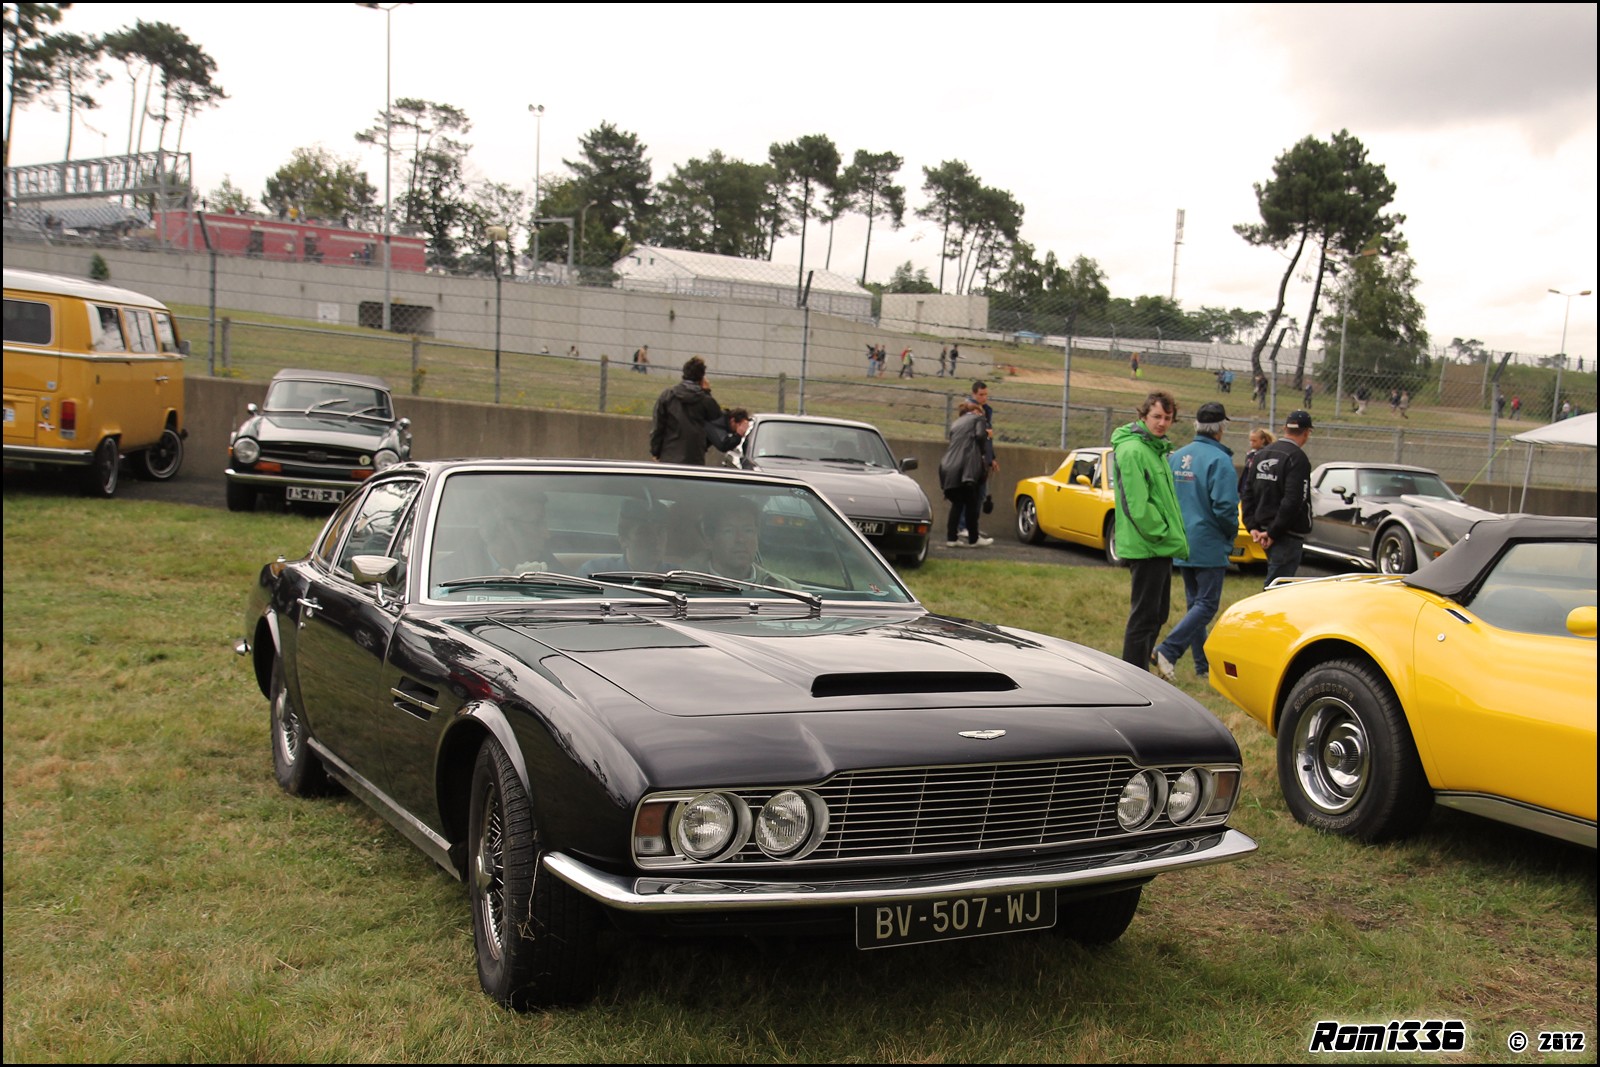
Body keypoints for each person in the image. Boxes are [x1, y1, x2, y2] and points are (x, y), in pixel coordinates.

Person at [1152, 402, 1238, 682]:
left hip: (1182, 539)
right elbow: (1225, 507)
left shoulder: (1178, 457)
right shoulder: (1220, 460)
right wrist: (1230, 534)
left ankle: (1202, 667)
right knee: (1207, 605)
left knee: (1195, 605)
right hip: (1208, 541)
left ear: (1196, 425)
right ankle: (1168, 649)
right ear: (1221, 428)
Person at [1112, 391, 1189, 669]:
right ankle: (1133, 675)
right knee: (1144, 616)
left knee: (1157, 614)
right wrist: (1160, 531)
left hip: (1159, 544)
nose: (1162, 423)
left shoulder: (1155, 449)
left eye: (1168, 418)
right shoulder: (1134, 450)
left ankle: (1138, 671)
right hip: (1148, 545)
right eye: (1156, 416)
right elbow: (1137, 504)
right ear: (1143, 416)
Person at [1245, 409, 1315, 587]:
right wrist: (1273, 532)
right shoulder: (1297, 458)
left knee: (1276, 581)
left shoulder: (1261, 454)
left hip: (1262, 529)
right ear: (1307, 432)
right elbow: (1294, 500)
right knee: (1278, 587)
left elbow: (1247, 492)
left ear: (1285, 428)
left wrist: (1252, 525)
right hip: (1285, 534)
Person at [696, 496, 794, 586]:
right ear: (709, 540)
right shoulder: (687, 584)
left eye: (748, 531)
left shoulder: (785, 588)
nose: (740, 539)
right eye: (729, 531)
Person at [650, 356, 723, 466]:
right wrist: (707, 392)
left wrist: (655, 451)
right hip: (695, 457)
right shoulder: (705, 400)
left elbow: (658, 426)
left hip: (669, 456)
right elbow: (717, 422)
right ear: (702, 377)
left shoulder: (668, 396)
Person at [938, 401, 992, 548]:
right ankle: (974, 539)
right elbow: (981, 436)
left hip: (947, 466)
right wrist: (982, 451)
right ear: (977, 411)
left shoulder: (956, 424)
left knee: (957, 504)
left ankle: (952, 538)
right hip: (966, 469)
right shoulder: (978, 418)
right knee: (972, 504)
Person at [958, 380, 998, 536]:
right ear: (974, 394)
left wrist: (991, 458)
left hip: (982, 459)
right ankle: (963, 526)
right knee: (970, 494)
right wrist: (985, 433)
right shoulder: (971, 410)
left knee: (980, 495)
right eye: (981, 394)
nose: (984, 397)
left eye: (986, 394)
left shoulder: (986, 410)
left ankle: (971, 526)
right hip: (971, 459)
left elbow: (987, 441)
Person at [1238, 427, 1274, 501]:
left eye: (1254, 441)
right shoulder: (1250, 454)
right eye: (1250, 440)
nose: (1251, 443)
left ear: (1262, 440)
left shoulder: (1266, 454)